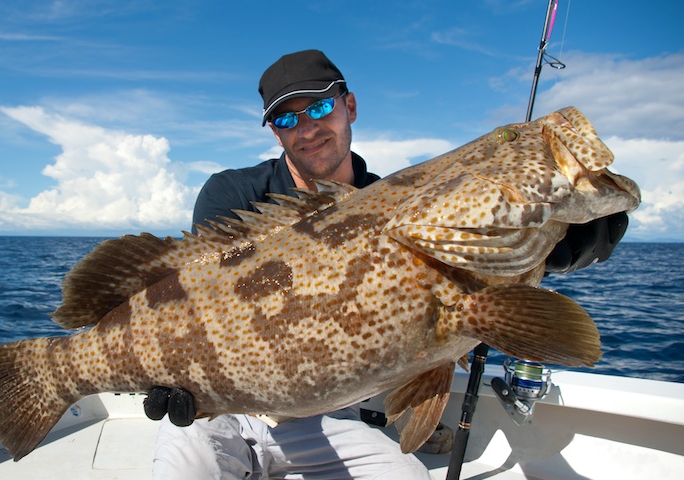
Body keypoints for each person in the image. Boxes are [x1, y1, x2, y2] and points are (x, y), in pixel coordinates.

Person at [146, 49, 629, 479]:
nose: (307, 127)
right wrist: (173, 379)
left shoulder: (401, 199)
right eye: (286, 119)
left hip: (325, 417)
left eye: (318, 107)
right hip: (217, 411)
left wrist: (564, 234)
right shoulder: (232, 196)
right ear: (273, 130)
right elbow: (192, 298)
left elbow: (507, 253)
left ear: (349, 106)